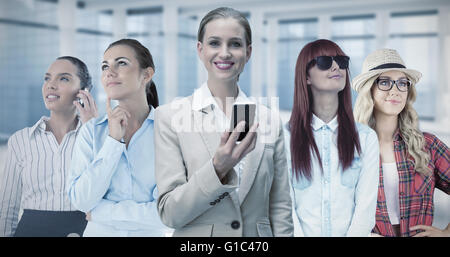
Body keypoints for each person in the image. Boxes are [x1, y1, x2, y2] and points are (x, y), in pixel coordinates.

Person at [154, 7, 293, 237]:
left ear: (248, 52)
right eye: (215, 43)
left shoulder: (269, 120)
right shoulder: (170, 117)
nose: (225, 53)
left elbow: (280, 206)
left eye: (235, 44)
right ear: (200, 49)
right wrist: (218, 168)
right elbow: (170, 213)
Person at [67, 39, 171, 236]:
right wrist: (113, 142)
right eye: (105, 66)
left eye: (121, 63)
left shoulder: (169, 132)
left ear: (147, 74)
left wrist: (101, 212)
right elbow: (81, 201)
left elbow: (169, 212)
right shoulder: (91, 131)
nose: (109, 72)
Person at [352, 48, 450, 237]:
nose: (395, 90)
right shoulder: (348, 147)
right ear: (369, 90)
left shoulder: (428, 145)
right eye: (385, 82)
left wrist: (446, 233)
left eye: (402, 83)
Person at [288, 39, 379, 237]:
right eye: (324, 62)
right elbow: (284, 207)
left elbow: (365, 208)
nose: (336, 66)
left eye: (341, 61)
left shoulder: (366, 138)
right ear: (306, 77)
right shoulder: (285, 139)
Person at [0, 56, 98, 237]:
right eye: (47, 78)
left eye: (63, 78)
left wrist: (93, 130)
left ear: (83, 91)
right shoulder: (20, 141)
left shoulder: (99, 138)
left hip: (83, 231)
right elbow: (7, 208)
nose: (50, 85)